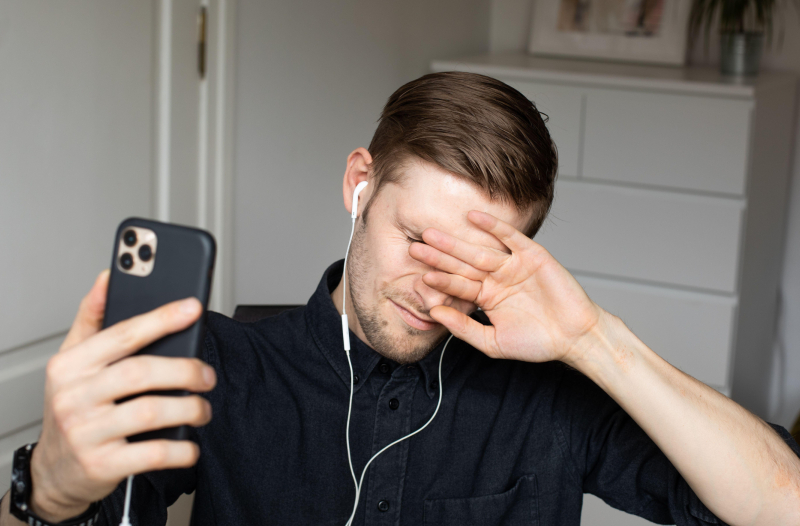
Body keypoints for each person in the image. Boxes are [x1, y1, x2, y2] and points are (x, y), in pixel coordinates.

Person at [2, 72, 800, 526]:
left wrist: (595, 340)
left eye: (473, 261)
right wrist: (52, 487)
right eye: (419, 240)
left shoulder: (554, 400)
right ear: (360, 186)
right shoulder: (220, 366)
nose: (432, 286)